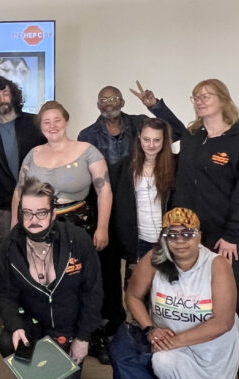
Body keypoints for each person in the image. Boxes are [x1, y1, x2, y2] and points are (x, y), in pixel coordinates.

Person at [78, 82, 186, 364]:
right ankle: (123, 332)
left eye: (114, 97)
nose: (109, 103)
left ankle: (164, 335)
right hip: (116, 218)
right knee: (122, 284)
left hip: (157, 231)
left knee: (163, 286)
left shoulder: (143, 125)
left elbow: (180, 132)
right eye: (104, 99)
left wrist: (155, 106)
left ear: (123, 101)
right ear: (98, 104)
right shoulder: (87, 135)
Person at [172, 79, 239, 379]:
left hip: (225, 238)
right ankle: (201, 358)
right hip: (188, 237)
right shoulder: (193, 138)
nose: (199, 101)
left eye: (206, 96)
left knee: (229, 300)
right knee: (193, 297)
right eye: (195, 97)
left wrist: (234, 235)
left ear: (223, 99)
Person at [11, 100, 112, 363]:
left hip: (79, 224)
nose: (52, 126)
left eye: (57, 120)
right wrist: (14, 225)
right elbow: (20, 192)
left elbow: (104, 190)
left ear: (66, 121)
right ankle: (48, 333)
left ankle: (91, 336)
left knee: (85, 283)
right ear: (41, 127)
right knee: (46, 281)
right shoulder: (33, 154)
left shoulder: (87, 150)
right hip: (39, 225)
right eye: (46, 122)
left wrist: (102, 227)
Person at [125, 207, 239, 379]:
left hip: (212, 347)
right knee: (162, 360)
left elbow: (224, 322)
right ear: (164, 238)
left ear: (199, 235)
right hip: (171, 345)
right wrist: (150, 328)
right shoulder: (154, 259)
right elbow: (132, 296)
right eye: (172, 234)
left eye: (188, 234)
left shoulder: (217, 264)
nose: (180, 240)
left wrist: (175, 341)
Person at [0, 178, 102, 379]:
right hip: (33, 323)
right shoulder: (9, 246)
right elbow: (4, 294)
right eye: (27, 213)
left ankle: (37, 376)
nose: (34, 221)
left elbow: (93, 293)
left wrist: (84, 338)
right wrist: (15, 325)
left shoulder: (78, 240)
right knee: (6, 339)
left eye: (42, 213)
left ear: (54, 212)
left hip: (69, 329)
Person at [0, 76, 46, 245]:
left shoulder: (34, 123)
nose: (2, 99)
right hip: (5, 208)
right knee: (7, 256)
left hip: (37, 201)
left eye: (5, 93)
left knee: (38, 253)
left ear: (14, 96)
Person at [111, 117, 176, 285]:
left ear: (164, 140)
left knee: (168, 290)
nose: (151, 145)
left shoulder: (176, 166)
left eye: (157, 140)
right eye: (147, 139)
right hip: (139, 242)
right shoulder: (124, 168)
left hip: (169, 241)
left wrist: (156, 107)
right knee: (136, 290)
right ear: (139, 137)